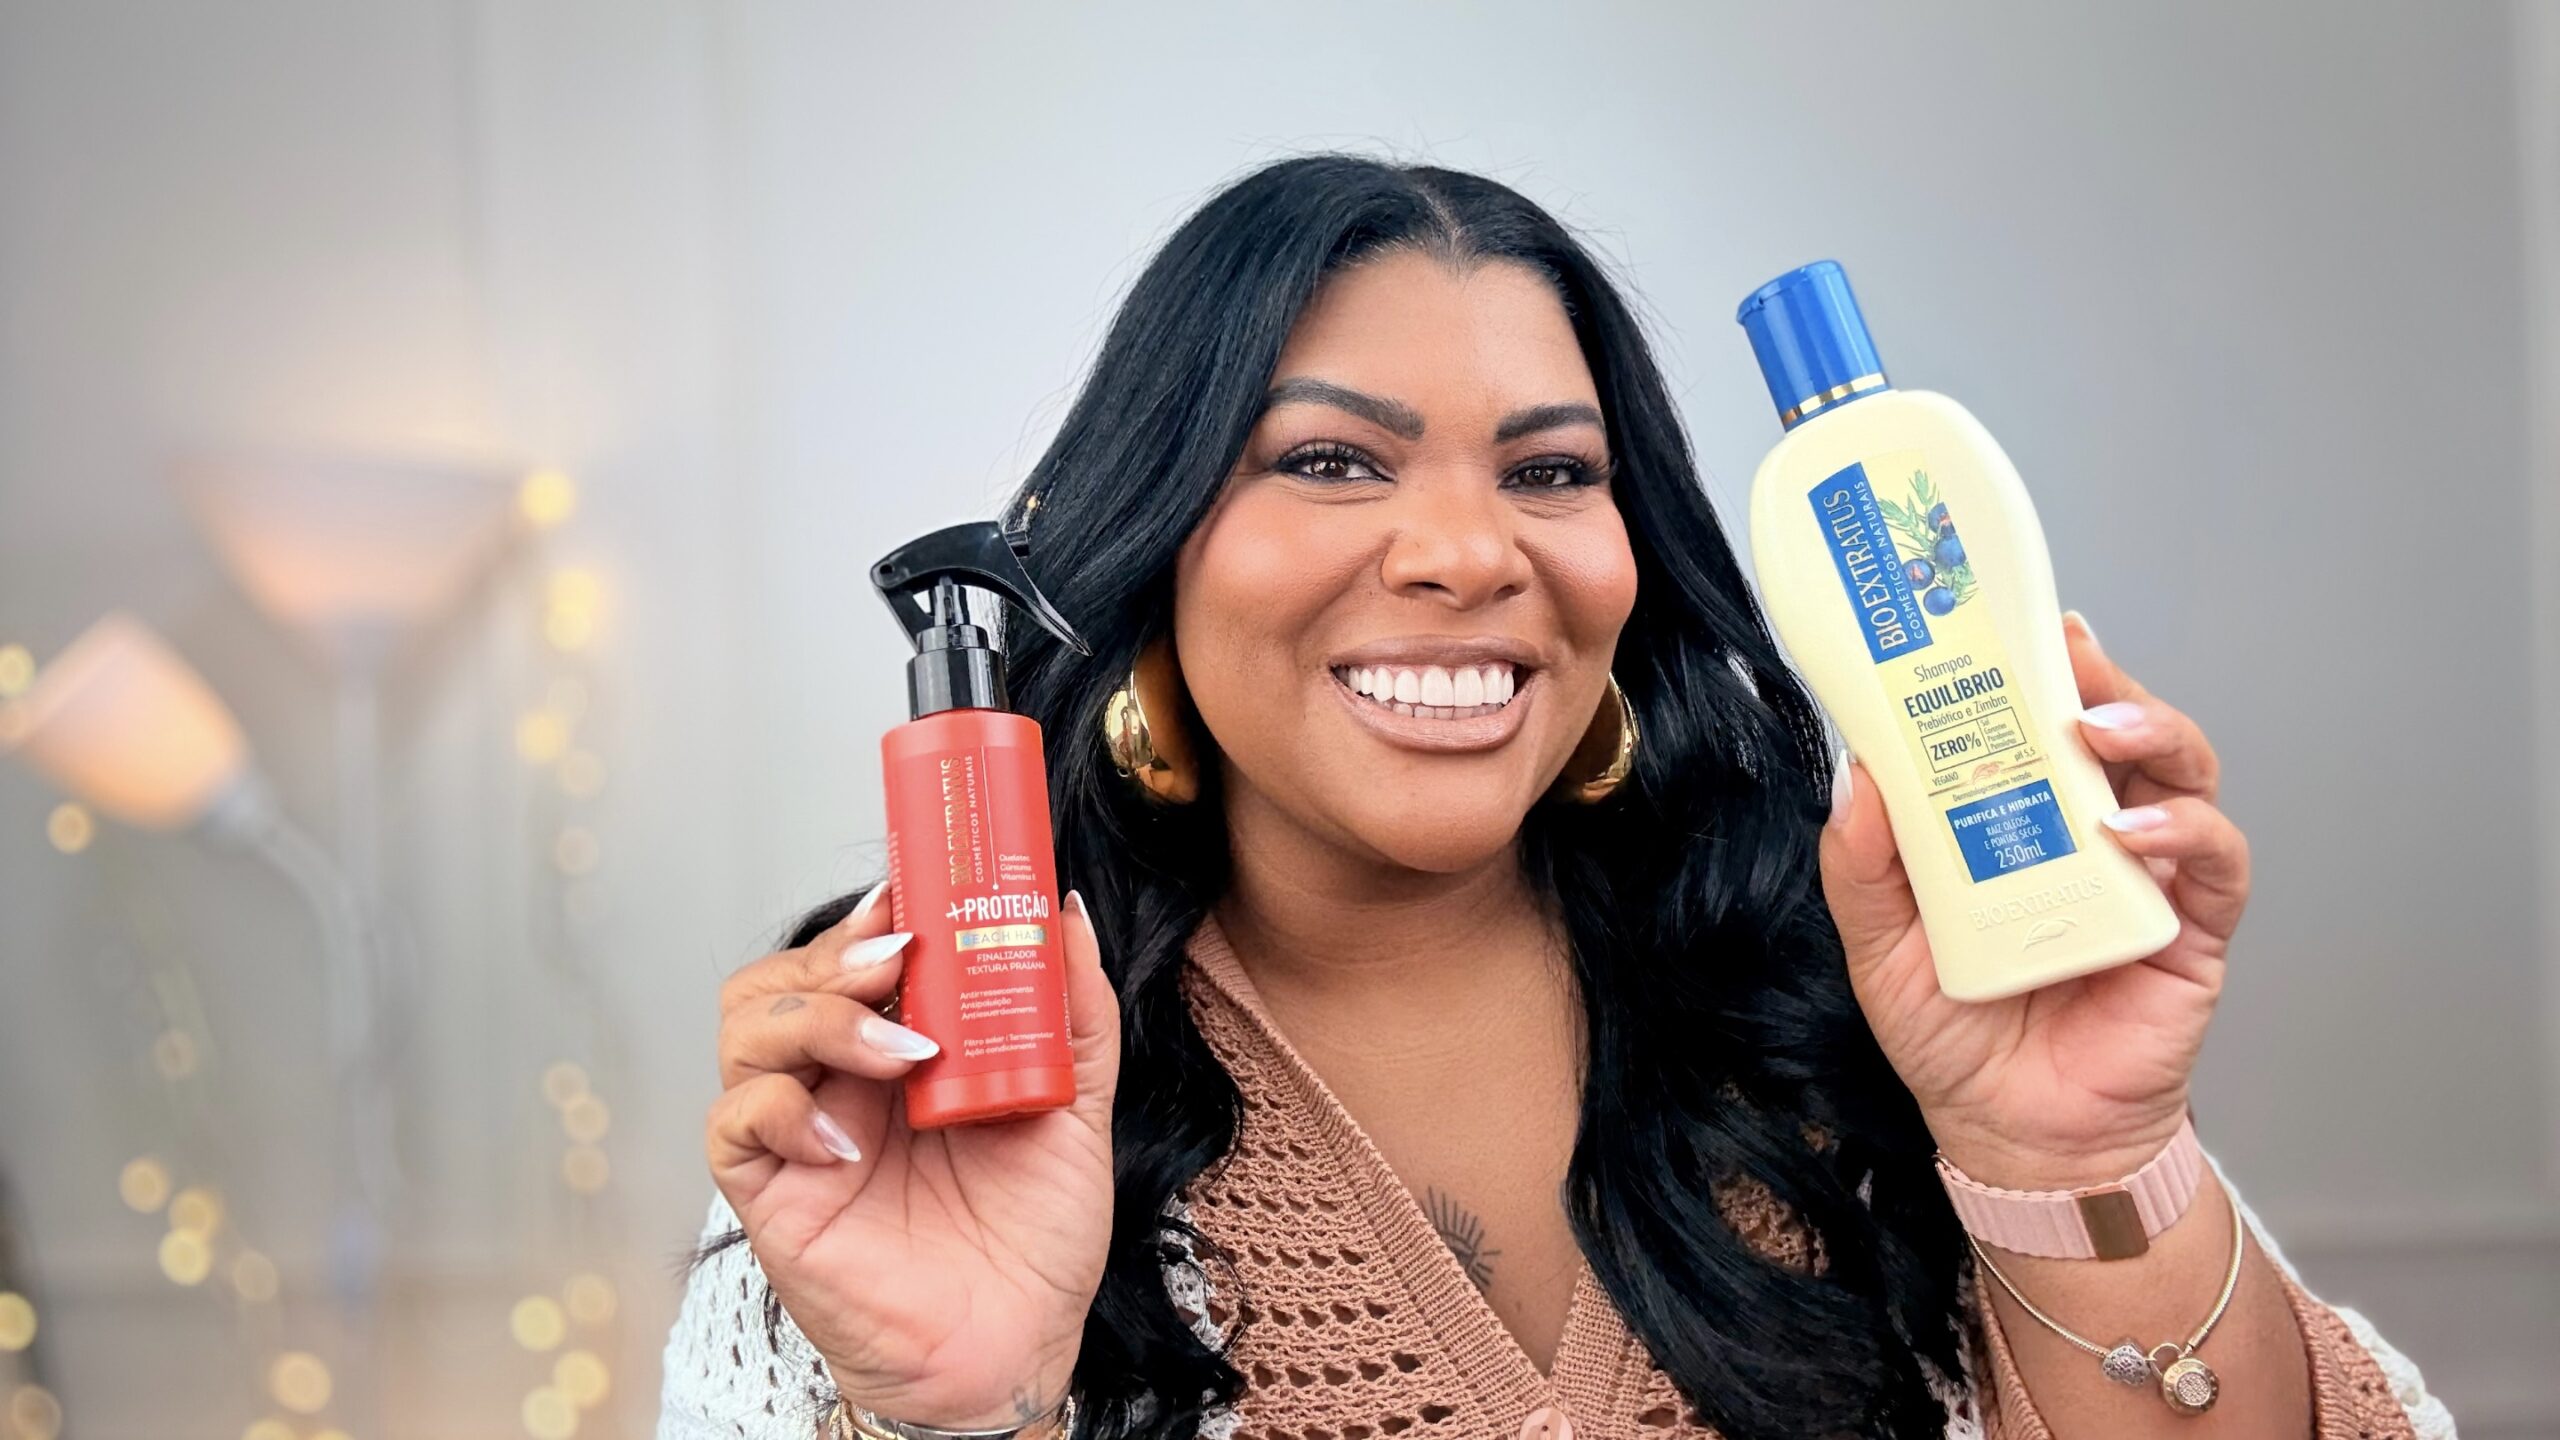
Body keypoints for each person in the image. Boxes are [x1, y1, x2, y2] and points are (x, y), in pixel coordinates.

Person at [661, 155, 2451, 1440]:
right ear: (1158, 541)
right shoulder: (924, 1104)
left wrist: (2075, 1162)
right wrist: (958, 1417)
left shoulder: (1857, 1001)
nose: (1468, 552)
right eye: (1331, 458)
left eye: (1550, 471)